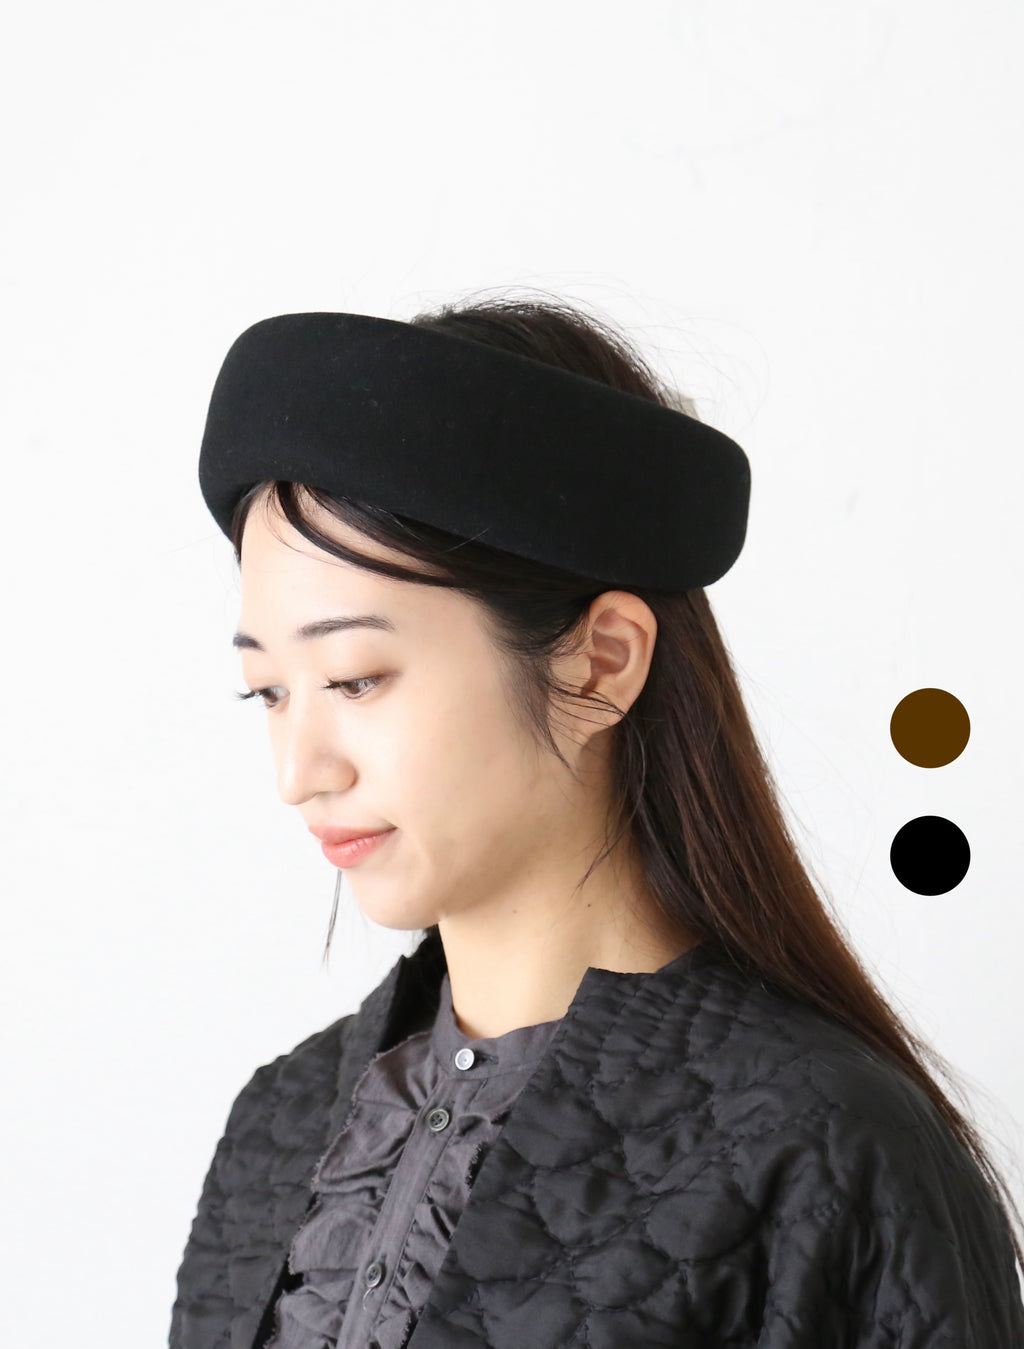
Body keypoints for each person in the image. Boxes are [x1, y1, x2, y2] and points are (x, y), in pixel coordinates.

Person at [169, 293, 1024, 1349]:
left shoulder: (823, 1148)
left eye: (355, 678)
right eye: (268, 691)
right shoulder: (280, 1123)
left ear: (601, 662)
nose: (299, 771)